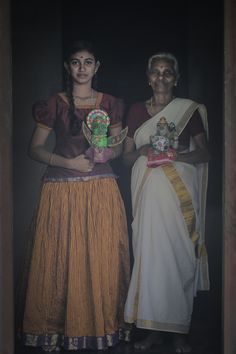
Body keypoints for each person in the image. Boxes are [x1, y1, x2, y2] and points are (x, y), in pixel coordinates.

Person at [17, 40, 131, 352]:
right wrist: (68, 163)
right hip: (61, 189)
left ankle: (100, 325)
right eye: (76, 62)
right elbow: (34, 148)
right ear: (68, 67)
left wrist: (107, 151)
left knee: (101, 256)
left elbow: (120, 144)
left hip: (101, 189)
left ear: (97, 67)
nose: (82, 68)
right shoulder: (54, 103)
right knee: (60, 258)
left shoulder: (110, 104)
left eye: (88, 62)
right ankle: (55, 328)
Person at [122, 52, 210, 353]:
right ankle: (151, 332)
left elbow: (204, 153)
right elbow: (127, 155)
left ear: (176, 78)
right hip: (148, 197)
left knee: (178, 257)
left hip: (178, 197)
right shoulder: (135, 111)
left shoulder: (188, 111)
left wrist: (177, 156)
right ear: (148, 78)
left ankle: (178, 334)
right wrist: (146, 150)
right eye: (156, 72)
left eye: (167, 72)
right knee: (151, 258)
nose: (161, 77)